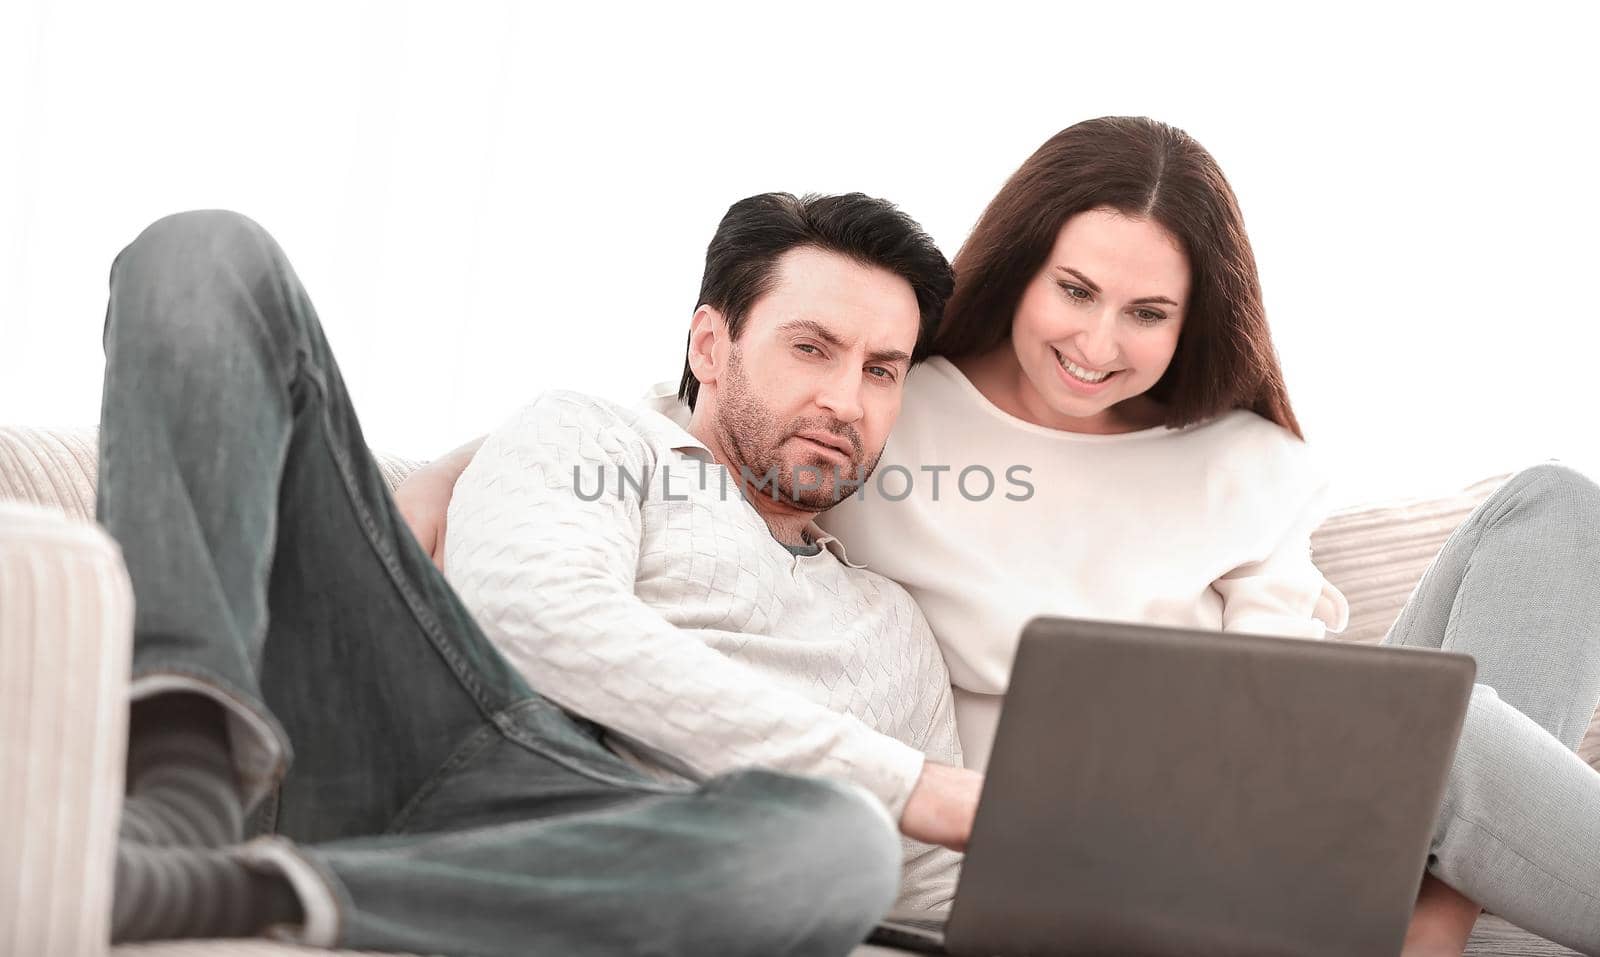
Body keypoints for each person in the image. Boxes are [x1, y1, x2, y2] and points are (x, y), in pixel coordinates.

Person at [404, 119, 1600, 956]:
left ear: (1196, 322)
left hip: (1243, 820)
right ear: (1023, 267)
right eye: (1074, 291)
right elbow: (687, 422)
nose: (1097, 343)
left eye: (1147, 313)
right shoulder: (889, 395)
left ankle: (1429, 931)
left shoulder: (1250, 466)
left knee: (1554, 518)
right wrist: (439, 481)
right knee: (1451, 740)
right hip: (1041, 844)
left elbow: (1288, 690)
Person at [95, 202, 943, 957]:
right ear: (711, 347)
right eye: (811, 348)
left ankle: (250, 893)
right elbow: (531, 617)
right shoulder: (601, 436)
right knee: (207, 256)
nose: (845, 399)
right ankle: (182, 793)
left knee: (841, 844)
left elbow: (936, 893)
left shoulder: (893, 627)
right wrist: (903, 782)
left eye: (881, 370)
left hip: (612, 847)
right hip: (430, 719)